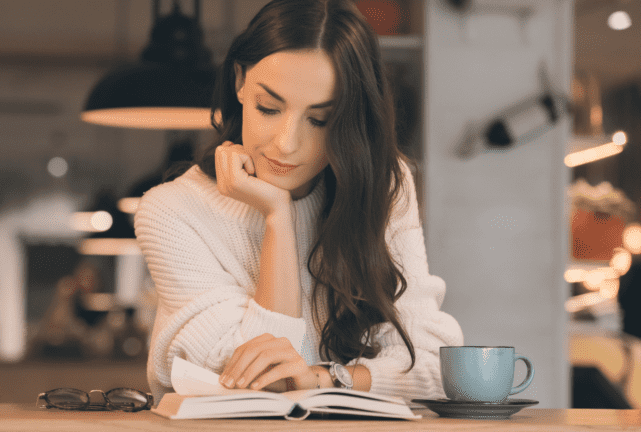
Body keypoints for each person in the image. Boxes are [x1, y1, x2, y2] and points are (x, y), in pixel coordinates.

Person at [134, 0, 463, 405]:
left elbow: (433, 369)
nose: (287, 144)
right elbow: (261, 384)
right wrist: (277, 217)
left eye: (320, 120)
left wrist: (321, 379)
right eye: (268, 108)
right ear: (239, 81)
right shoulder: (172, 211)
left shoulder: (383, 186)